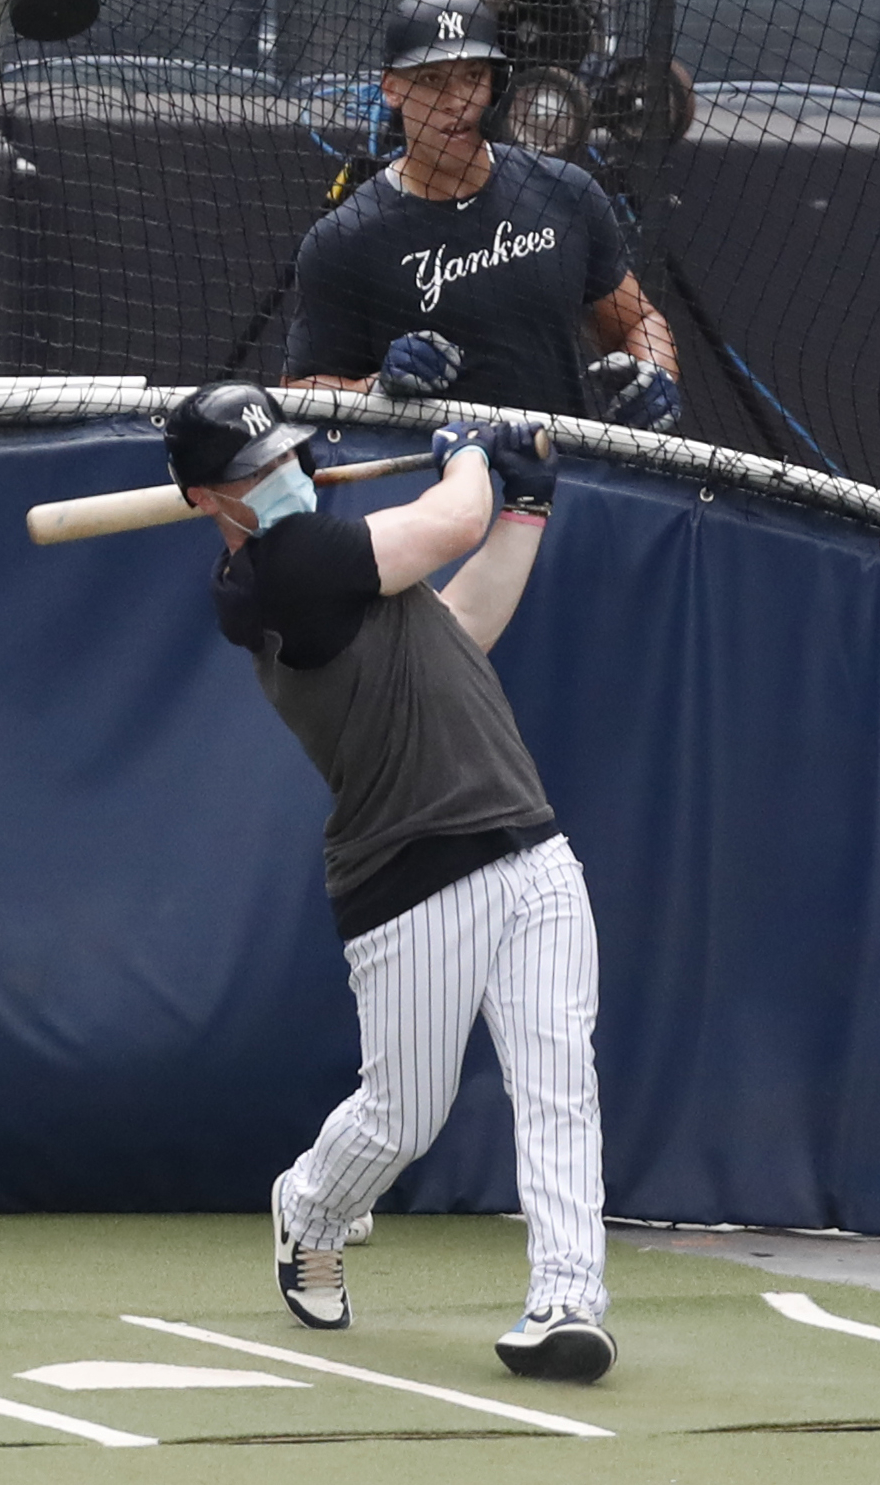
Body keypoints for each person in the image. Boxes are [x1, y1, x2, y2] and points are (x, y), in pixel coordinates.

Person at [166, 379, 615, 1384]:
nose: (279, 476)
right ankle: (316, 1202)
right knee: (404, 1115)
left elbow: (464, 625)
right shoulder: (281, 575)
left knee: (557, 1082)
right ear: (211, 501)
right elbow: (454, 516)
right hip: (406, 874)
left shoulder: (341, 563)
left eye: (282, 456)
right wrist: (467, 449)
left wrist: (526, 506)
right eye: (250, 473)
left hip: (527, 843)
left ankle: (567, 1300)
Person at [282, 0, 682, 432]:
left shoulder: (566, 192)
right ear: (391, 88)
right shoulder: (346, 237)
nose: (456, 101)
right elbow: (299, 390)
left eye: (472, 76)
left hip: (557, 479)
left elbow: (639, 321)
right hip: (424, 491)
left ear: (496, 83)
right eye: (432, 80)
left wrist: (655, 374)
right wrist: (374, 391)